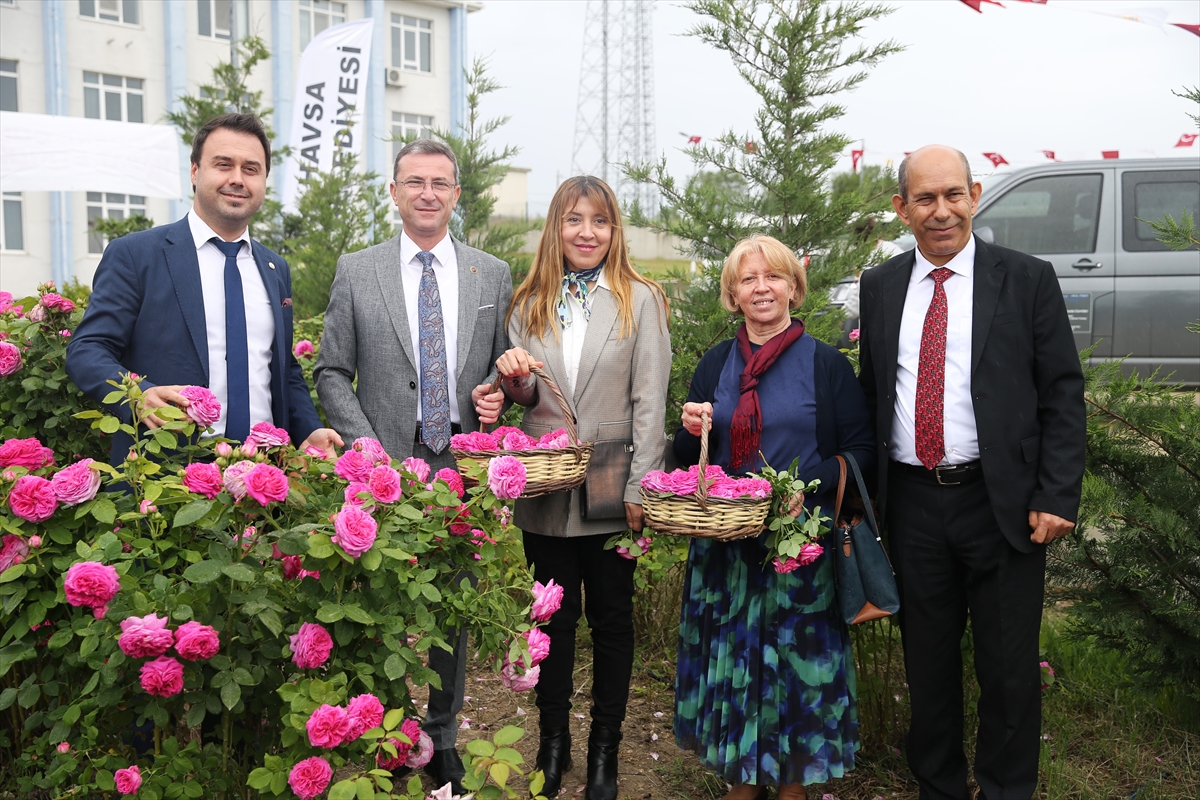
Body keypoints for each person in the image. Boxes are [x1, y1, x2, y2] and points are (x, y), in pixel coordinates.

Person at [857, 145, 1085, 800]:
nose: (941, 211)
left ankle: (1007, 789)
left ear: (976, 195)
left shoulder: (1027, 279)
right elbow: (873, 392)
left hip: (1004, 505)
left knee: (1009, 668)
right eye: (924, 199)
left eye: (953, 194)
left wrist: (1056, 492)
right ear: (902, 209)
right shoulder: (881, 288)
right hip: (914, 506)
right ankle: (940, 788)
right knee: (926, 667)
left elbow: (1062, 393)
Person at [313, 139, 512, 794]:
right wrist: (368, 453)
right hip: (380, 468)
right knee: (384, 601)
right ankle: (394, 731)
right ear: (393, 192)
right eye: (414, 181)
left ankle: (446, 733)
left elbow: (501, 370)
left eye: (441, 183)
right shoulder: (357, 268)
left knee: (452, 603)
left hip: (458, 465)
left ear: (458, 194)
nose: (428, 193)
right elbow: (332, 371)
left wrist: (495, 393)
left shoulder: (491, 273)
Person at [487, 176, 671, 800]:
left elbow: (649, 400)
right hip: (547, 484)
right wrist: (513, 382)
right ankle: (553, 743)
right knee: (554, 621)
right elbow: (527, 399)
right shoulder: (527, 302)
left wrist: (642, 486)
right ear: (555, 228)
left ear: (614, 230)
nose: (586, 232)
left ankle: (604, 755)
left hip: (614, 479)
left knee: (613, 621)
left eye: (599, 221)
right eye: (573, 220)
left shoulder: (639, 299)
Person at [673, 234, 873, 800]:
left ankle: (791, 786)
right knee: (735, 662)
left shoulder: (826, 365)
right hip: (728, 554)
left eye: (773, 276)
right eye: (747, 279)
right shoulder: (716, 363)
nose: (761, 287)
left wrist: (809, 490)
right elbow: (690, 462)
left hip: (799, 551)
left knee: (794, 667)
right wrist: (690, 434)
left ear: (794, 287)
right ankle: (741, 779)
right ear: (732, 294)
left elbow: (861, 453)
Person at [66, 113, 341, 463]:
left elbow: (281, 368)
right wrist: (136, 394)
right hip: (165, 477)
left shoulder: (275, 268)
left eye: (251, 169)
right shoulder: (137, 255)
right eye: (223, 164)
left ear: (264, 181)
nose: (237, 179)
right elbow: (87, 349)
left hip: (262, 481)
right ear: (195, 172)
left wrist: (308, 429)